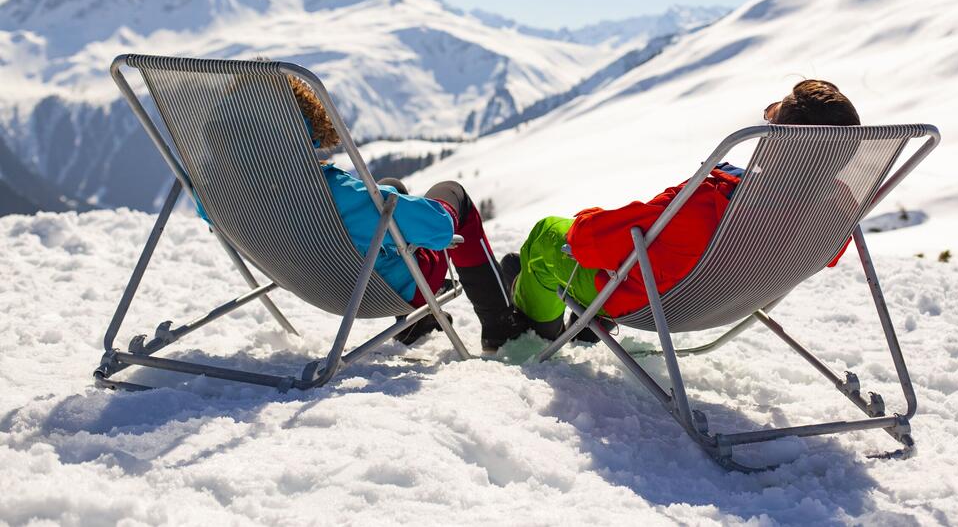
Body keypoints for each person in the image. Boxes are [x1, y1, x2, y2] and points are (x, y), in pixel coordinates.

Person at [504, 79, 862, 343]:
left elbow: (589, 242)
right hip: (735, 301)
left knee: (547, 235)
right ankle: (559, 306)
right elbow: (826, 258)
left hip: (654, 303)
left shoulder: (713, 200)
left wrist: (587, 218)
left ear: (775, 144)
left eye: (771, 122)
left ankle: (532, 337)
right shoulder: (837, 209)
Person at [197, 76, 526, 352]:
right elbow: (439, 229)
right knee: (450, 194)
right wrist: (435, 210)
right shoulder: (332, 193)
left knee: (390, 188)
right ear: (296, 135)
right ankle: (499, 325)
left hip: (304, 280)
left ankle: (419, 324)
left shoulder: (214, 193)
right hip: (383, 290)